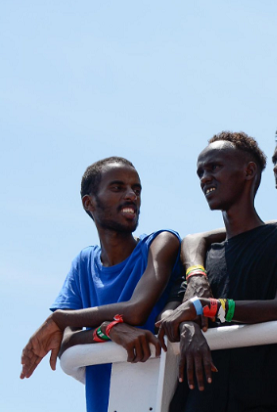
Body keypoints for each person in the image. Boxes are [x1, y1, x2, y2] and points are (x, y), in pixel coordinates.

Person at [159, 132, 277, 412]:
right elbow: (169, 316)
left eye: (214, 167)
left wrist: (206, 308)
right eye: (200, 172)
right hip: (195, 403)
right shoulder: (203, 256)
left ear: (249, 171)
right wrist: (189, 327)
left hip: (263, 401)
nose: (205, 178)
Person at [20, 157, 181, 412]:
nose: (131, 195)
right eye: (118, 187)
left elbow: (136, 310)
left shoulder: (161, 243)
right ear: (89, 203)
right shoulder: (84, 263)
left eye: (136, 189)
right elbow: (64, 341)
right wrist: (107, 330)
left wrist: (61, 318)